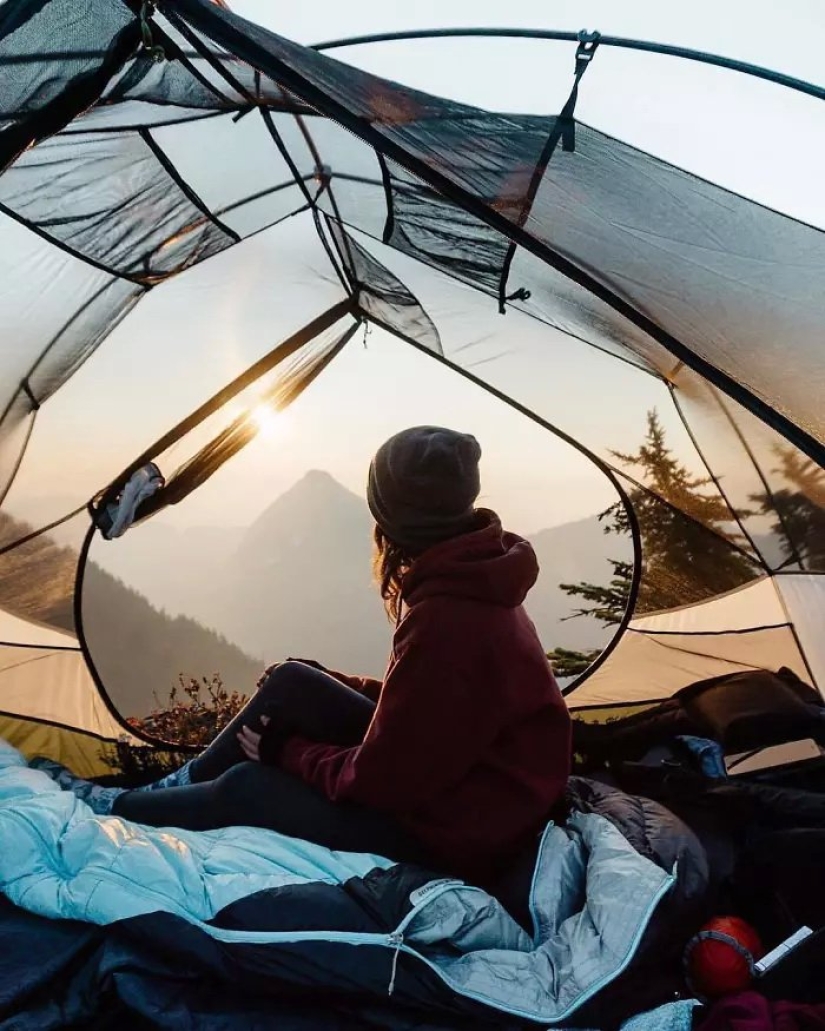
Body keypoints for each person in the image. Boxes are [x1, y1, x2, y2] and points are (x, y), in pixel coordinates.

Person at [33, 427, 572, 884]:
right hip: (474, 783)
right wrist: (337, 685)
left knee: (250, 786)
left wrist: (286, 752)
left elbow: (386, 782)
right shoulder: (478, 575)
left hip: (464, 831)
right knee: (295, 682)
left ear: (392, 516)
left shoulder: (449, 619)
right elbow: (437, 711)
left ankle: (115, 808)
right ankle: (171, 787)